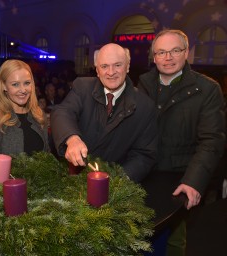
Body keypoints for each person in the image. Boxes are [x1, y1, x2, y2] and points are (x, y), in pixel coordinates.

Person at [138, 29, 225, 255]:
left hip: (178, 180)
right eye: (161, 52)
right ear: (154, 57)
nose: (168, 58)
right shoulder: (142, 84)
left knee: (173, 239)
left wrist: (193, 182)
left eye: (175, 50)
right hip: (143, 174)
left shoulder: (207, 89)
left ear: (187, 53)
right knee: (139, 239)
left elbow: (212, 140)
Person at [51, 43, 158, 182]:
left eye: (117, 65)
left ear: (128, 66)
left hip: (115, 183)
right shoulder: (82, 87)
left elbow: (144, 155)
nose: (111, 72)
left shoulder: (145, 106)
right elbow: (62, 111)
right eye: (104, 66)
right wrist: (72, 139)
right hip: (75, 178)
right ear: (97, 70)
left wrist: (118, 181)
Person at [0, 59, 50, 177]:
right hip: (8, 193)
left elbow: (47, 158)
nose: (23, 90)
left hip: (41, 193)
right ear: (4, 86)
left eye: (27, 83)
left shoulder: (39, 115)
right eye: (15, 84)